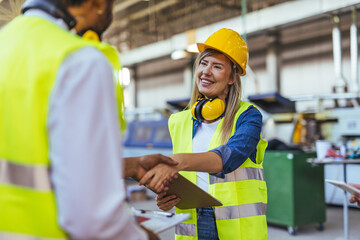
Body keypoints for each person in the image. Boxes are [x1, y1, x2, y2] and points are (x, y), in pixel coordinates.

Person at [0, 0, 177, 239]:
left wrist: (131, 165)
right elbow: (93, 221)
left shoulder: (6, 44)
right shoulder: (79, 61)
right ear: (99, 4)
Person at [140, 28, 268, 240]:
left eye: (217, 66)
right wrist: (168, 196)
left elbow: (228, 158)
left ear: (232, 77)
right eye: (203, 63)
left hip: (237, 229)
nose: (206, 72)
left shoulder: (248, 117)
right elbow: (184, 179)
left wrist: (176, 161)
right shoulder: (179, 121)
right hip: (192, 222)